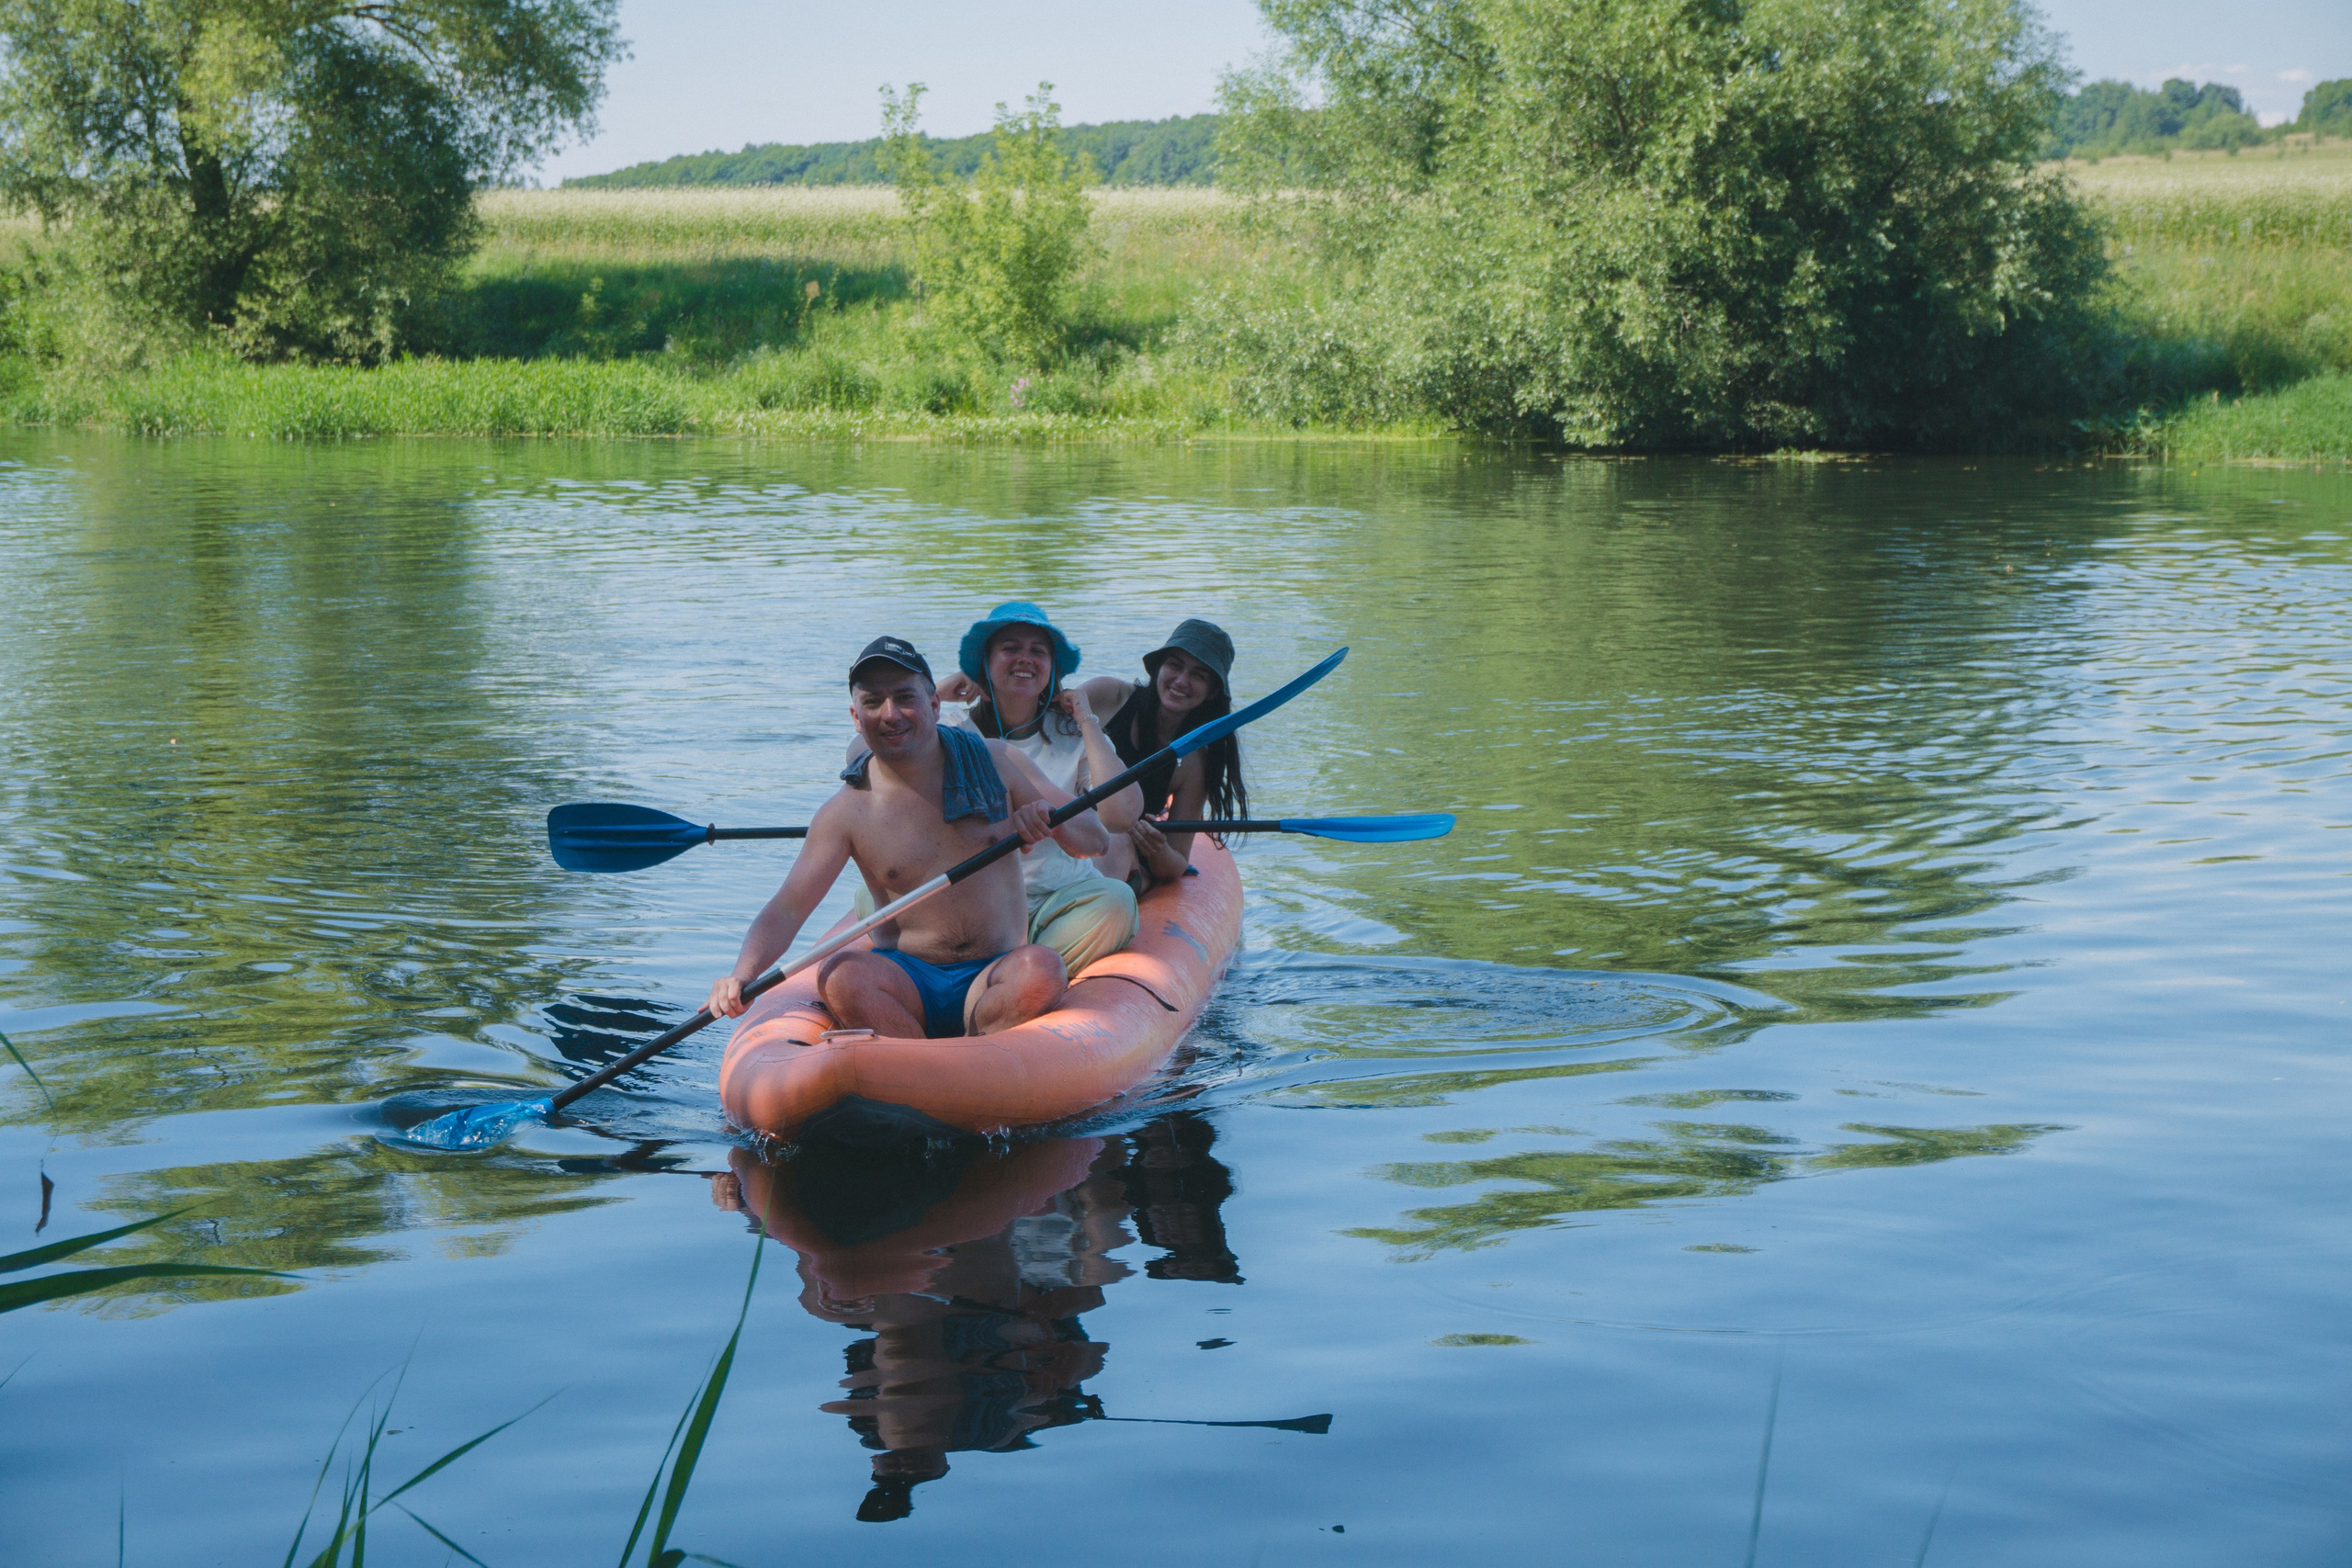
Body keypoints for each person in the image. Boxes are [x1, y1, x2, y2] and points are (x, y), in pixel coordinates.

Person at [707, 636, 1113, 1039]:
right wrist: (741, 975)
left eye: (904, 697)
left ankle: (973, 1063)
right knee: (841, 975)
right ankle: (922, 1066)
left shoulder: (997, 761)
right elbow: (789, 908)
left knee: (1043, 968)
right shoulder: (845, 813)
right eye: (872, 702)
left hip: (994, 973)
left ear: (934, 705)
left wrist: (1050, 820)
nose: (890, 714)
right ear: (855, 717)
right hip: (907, 981)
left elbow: (1095, 840)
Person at [929, 602, 1145, 974]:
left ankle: (1017, 970)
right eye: (1010, 648)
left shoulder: (1074, 733)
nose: (1024, 659)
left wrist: (1087, 719)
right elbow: (872, 756)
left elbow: (1121, 816)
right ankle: (1005, 966)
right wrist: (932, 695)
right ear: (984, 663)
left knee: (1118, 901)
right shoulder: (949, 730)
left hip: (1058, 902)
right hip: (971, 904)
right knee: (870, 897)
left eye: (1038, 651)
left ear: (1052, 669)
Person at [1075, 618, 1251, 890]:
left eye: (1198, 675)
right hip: (1063, 829)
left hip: (1117, 853)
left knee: (1118, 840)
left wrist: (1156, 848)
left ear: (1212, 691)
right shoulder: (1109, 696)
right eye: (1175, 665)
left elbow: (1177, 862)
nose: (1181, 681)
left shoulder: (1192, 764)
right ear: (1159, 667)